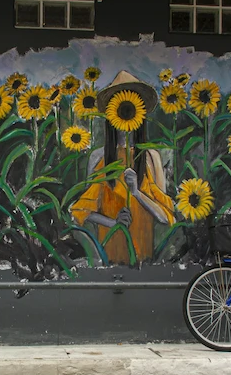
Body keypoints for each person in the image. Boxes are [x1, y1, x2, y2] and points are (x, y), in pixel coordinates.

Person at [70, 71, 175, 264]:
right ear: (111, 115)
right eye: (121, 108)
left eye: (130, 108)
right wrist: (114, 223)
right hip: (110, 252)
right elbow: (83, 210)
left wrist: (137, 193)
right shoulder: (99, 157)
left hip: (142, 256)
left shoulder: (151, 158)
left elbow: (165, 216)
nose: (126, 114)